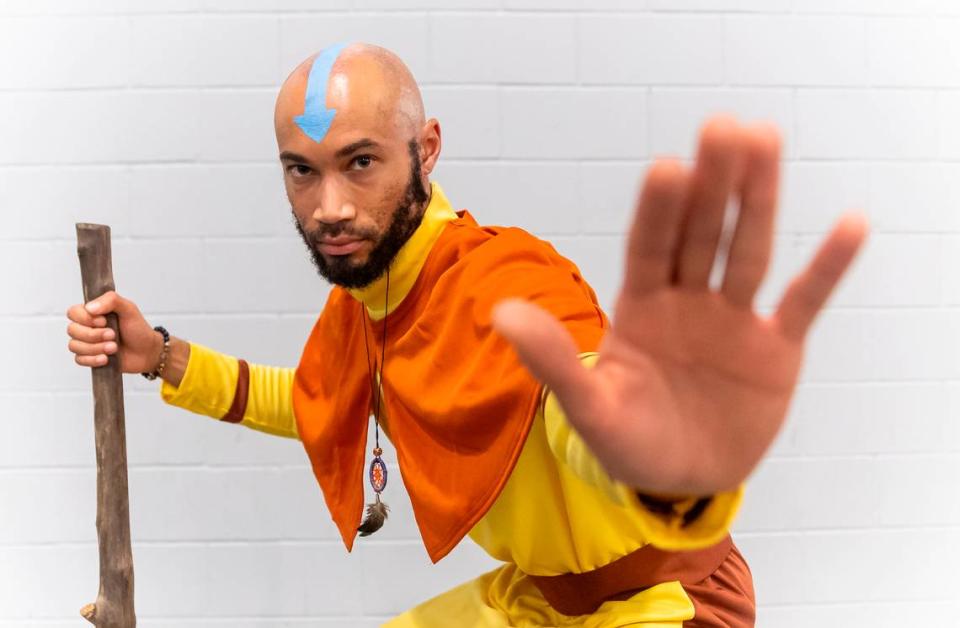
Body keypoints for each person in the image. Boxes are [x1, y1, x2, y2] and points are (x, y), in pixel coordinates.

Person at [65, 43, 867, 626]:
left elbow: (577, 402)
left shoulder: (506, 280)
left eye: (361, 162)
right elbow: (315, 400)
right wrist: (159, 356)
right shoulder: (371, 301)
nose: (329, 207)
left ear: (427, 150)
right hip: (537, 600)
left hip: (667, 604)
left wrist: (647, 441)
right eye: (302, 170)